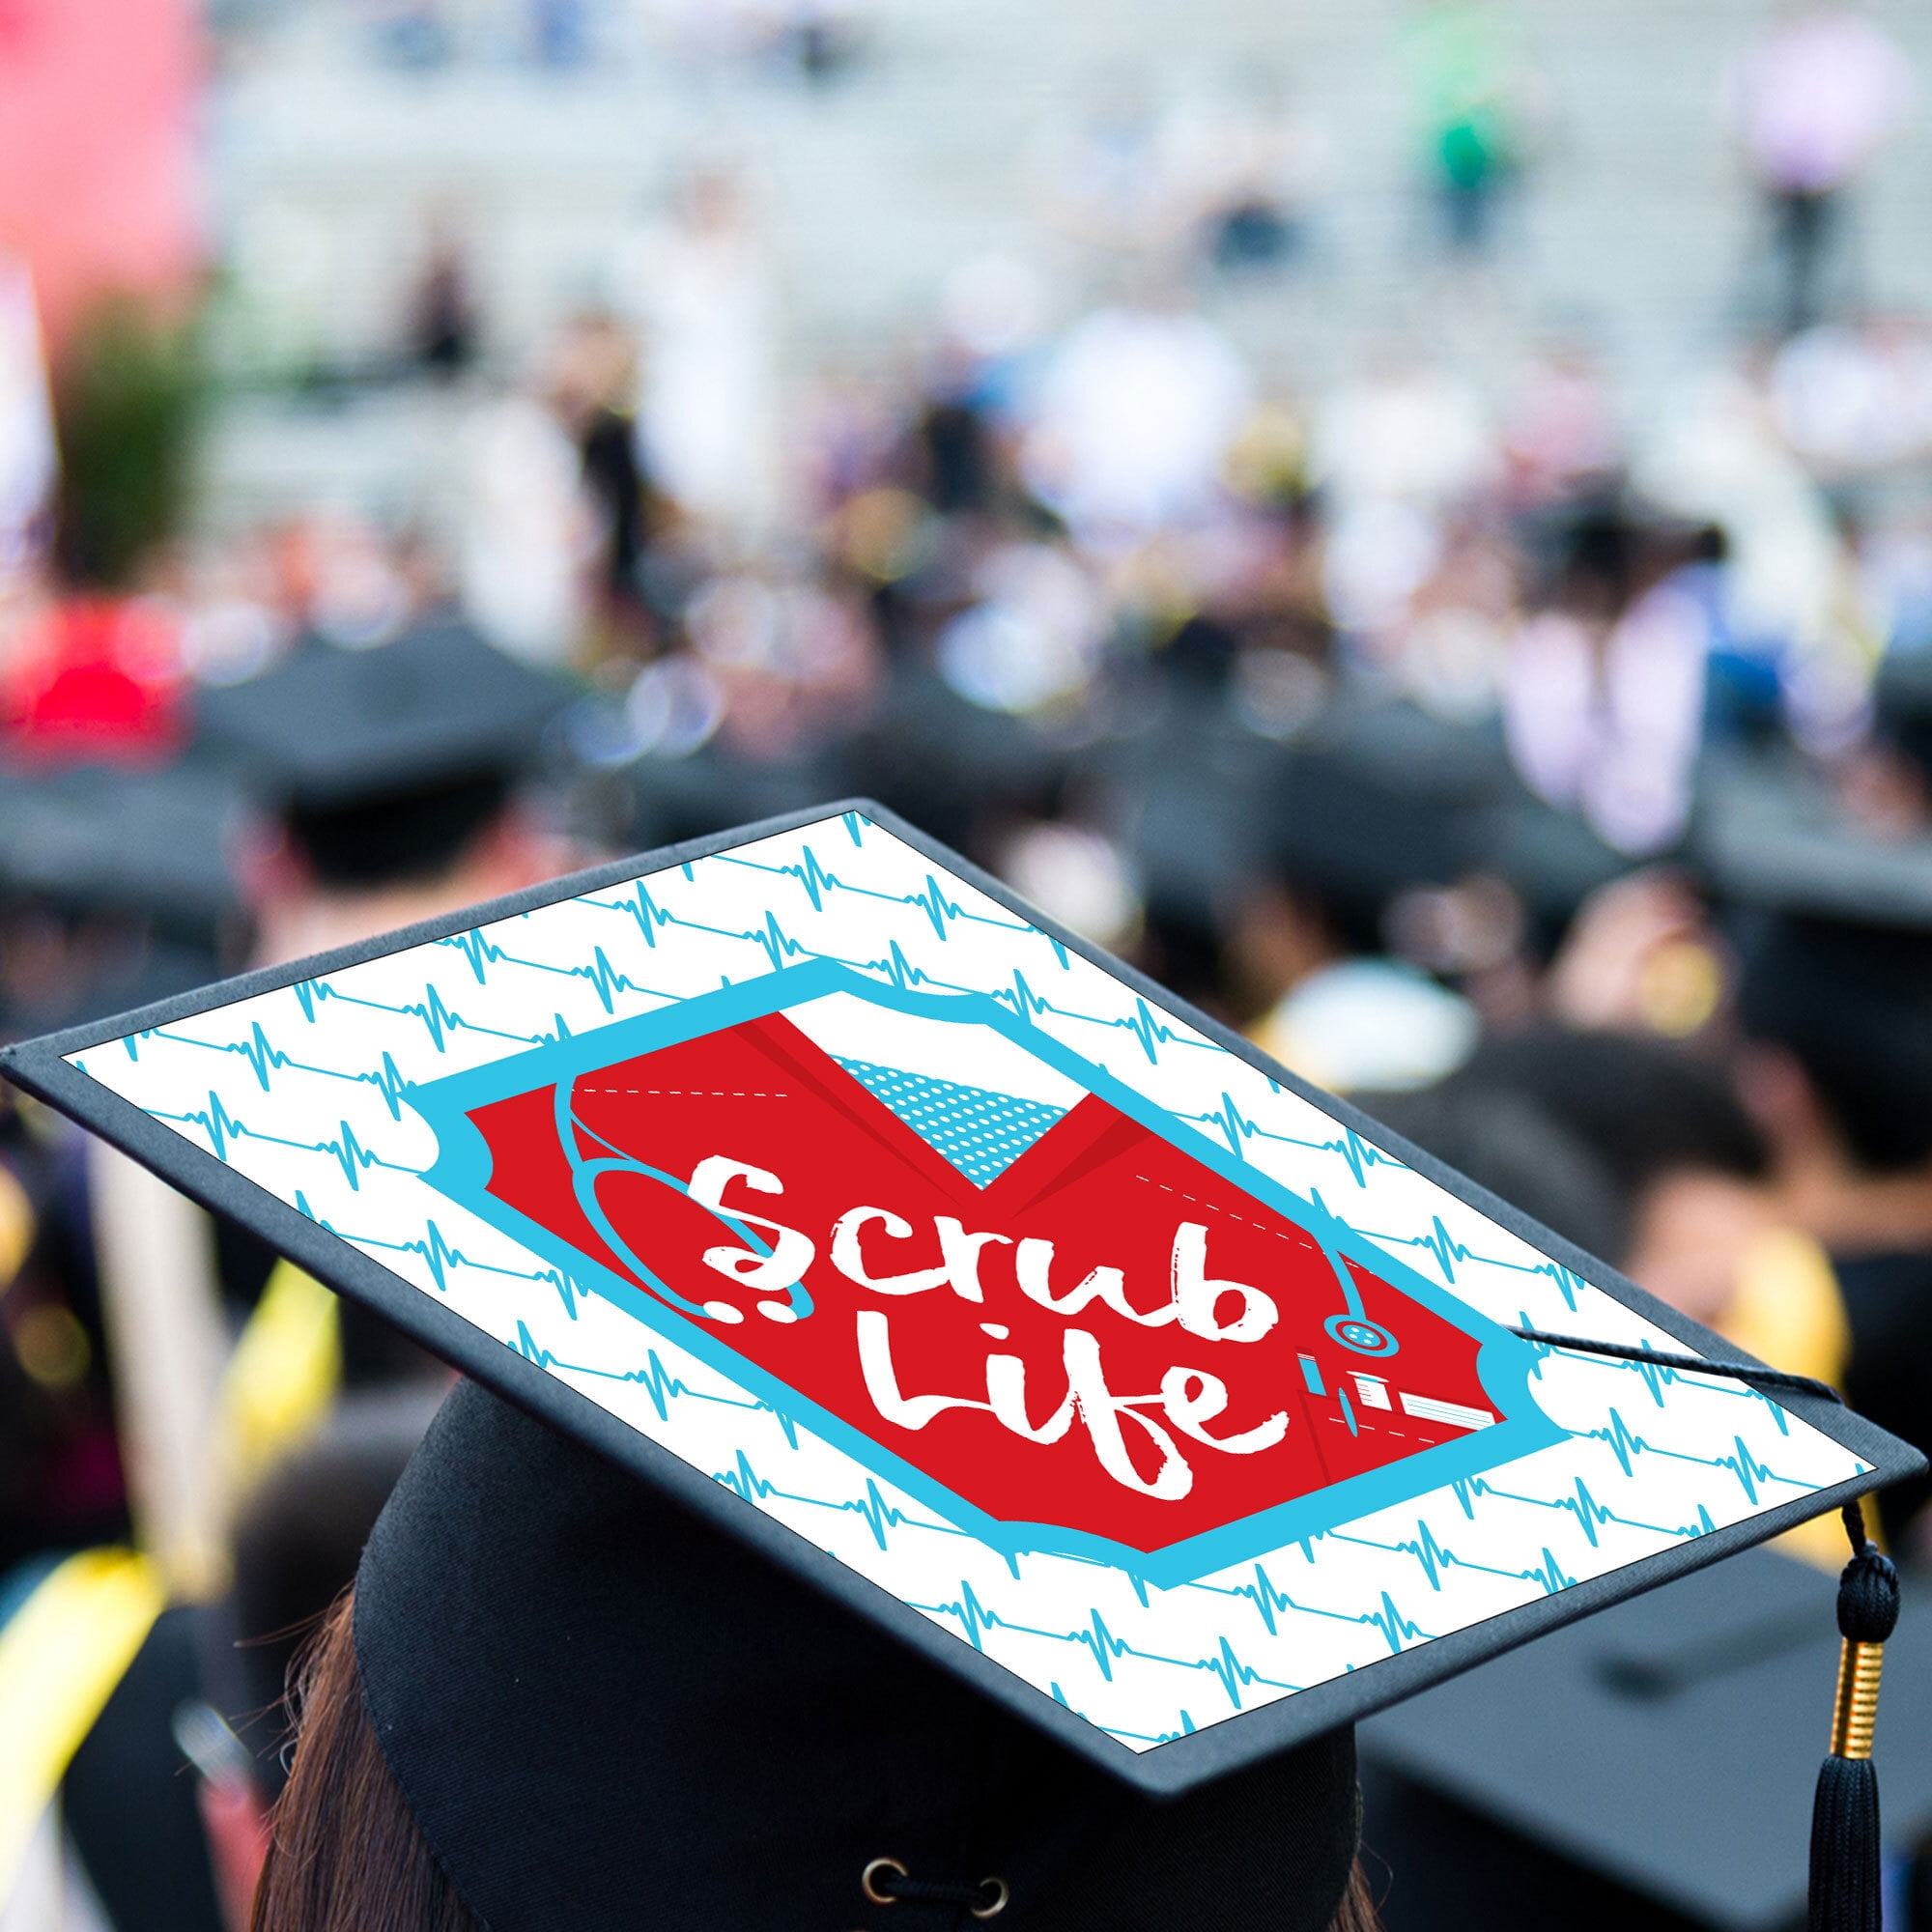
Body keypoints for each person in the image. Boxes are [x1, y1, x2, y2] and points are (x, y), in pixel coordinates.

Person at [1729, 4, 1912, 335]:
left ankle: (1834, 323)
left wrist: (1850, 155)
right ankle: (1788, 326)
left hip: (1836, 174)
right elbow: (1746, 100)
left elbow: (1881, 103)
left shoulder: (1860, 44)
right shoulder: (1775, 42)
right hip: (1783, 176)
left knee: (1834, 256)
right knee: (1786, 262)